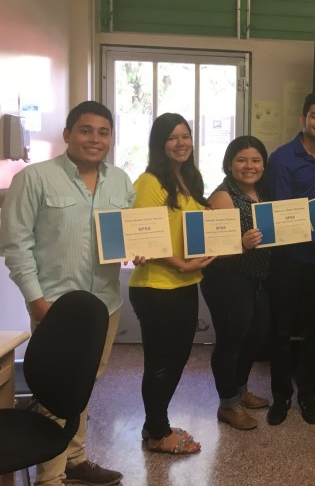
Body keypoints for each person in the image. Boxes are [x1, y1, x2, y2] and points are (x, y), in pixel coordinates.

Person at [0, 101, 133, 486]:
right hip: (56, 306)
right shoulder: (36, 178)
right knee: (55, 390)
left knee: (81, 387)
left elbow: (127, 233)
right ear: (68, 135)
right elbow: (16, 245)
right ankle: (50, 477)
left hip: (105, 304)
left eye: (103, 132)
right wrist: (35, 300)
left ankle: (75, 458)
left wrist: (139, 248)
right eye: (86, 130)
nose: (95, 139)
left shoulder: (121, 181)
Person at [128, 113, 214, 455]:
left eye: (186, 136)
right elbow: (144, 234)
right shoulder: (149, 181)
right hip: (156, 285)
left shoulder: (190, 180)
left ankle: (154, 424)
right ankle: (159, 433)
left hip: (184, 282)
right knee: (162, 362)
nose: (181, 143)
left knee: (177, 359)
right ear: (160, 144)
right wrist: (180, 263)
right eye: (172, 137)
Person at [265, 91, 315, 426]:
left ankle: (308, 396)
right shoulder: (281, 158)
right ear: (303, 119)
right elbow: (282, 211)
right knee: (282, 331)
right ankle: (282, 397)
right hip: (288, 259)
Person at [200, 136, 272, 430]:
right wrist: (241, 243)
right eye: (242, 160)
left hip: (256, 277)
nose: (249, 166)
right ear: (230, 164)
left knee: (256, 334)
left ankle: (240, 390)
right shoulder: (222, 196)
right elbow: (213, 245)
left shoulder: (261, 191)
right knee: (231, 339)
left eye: (255, 160)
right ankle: (227, 404)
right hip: (227, 278)